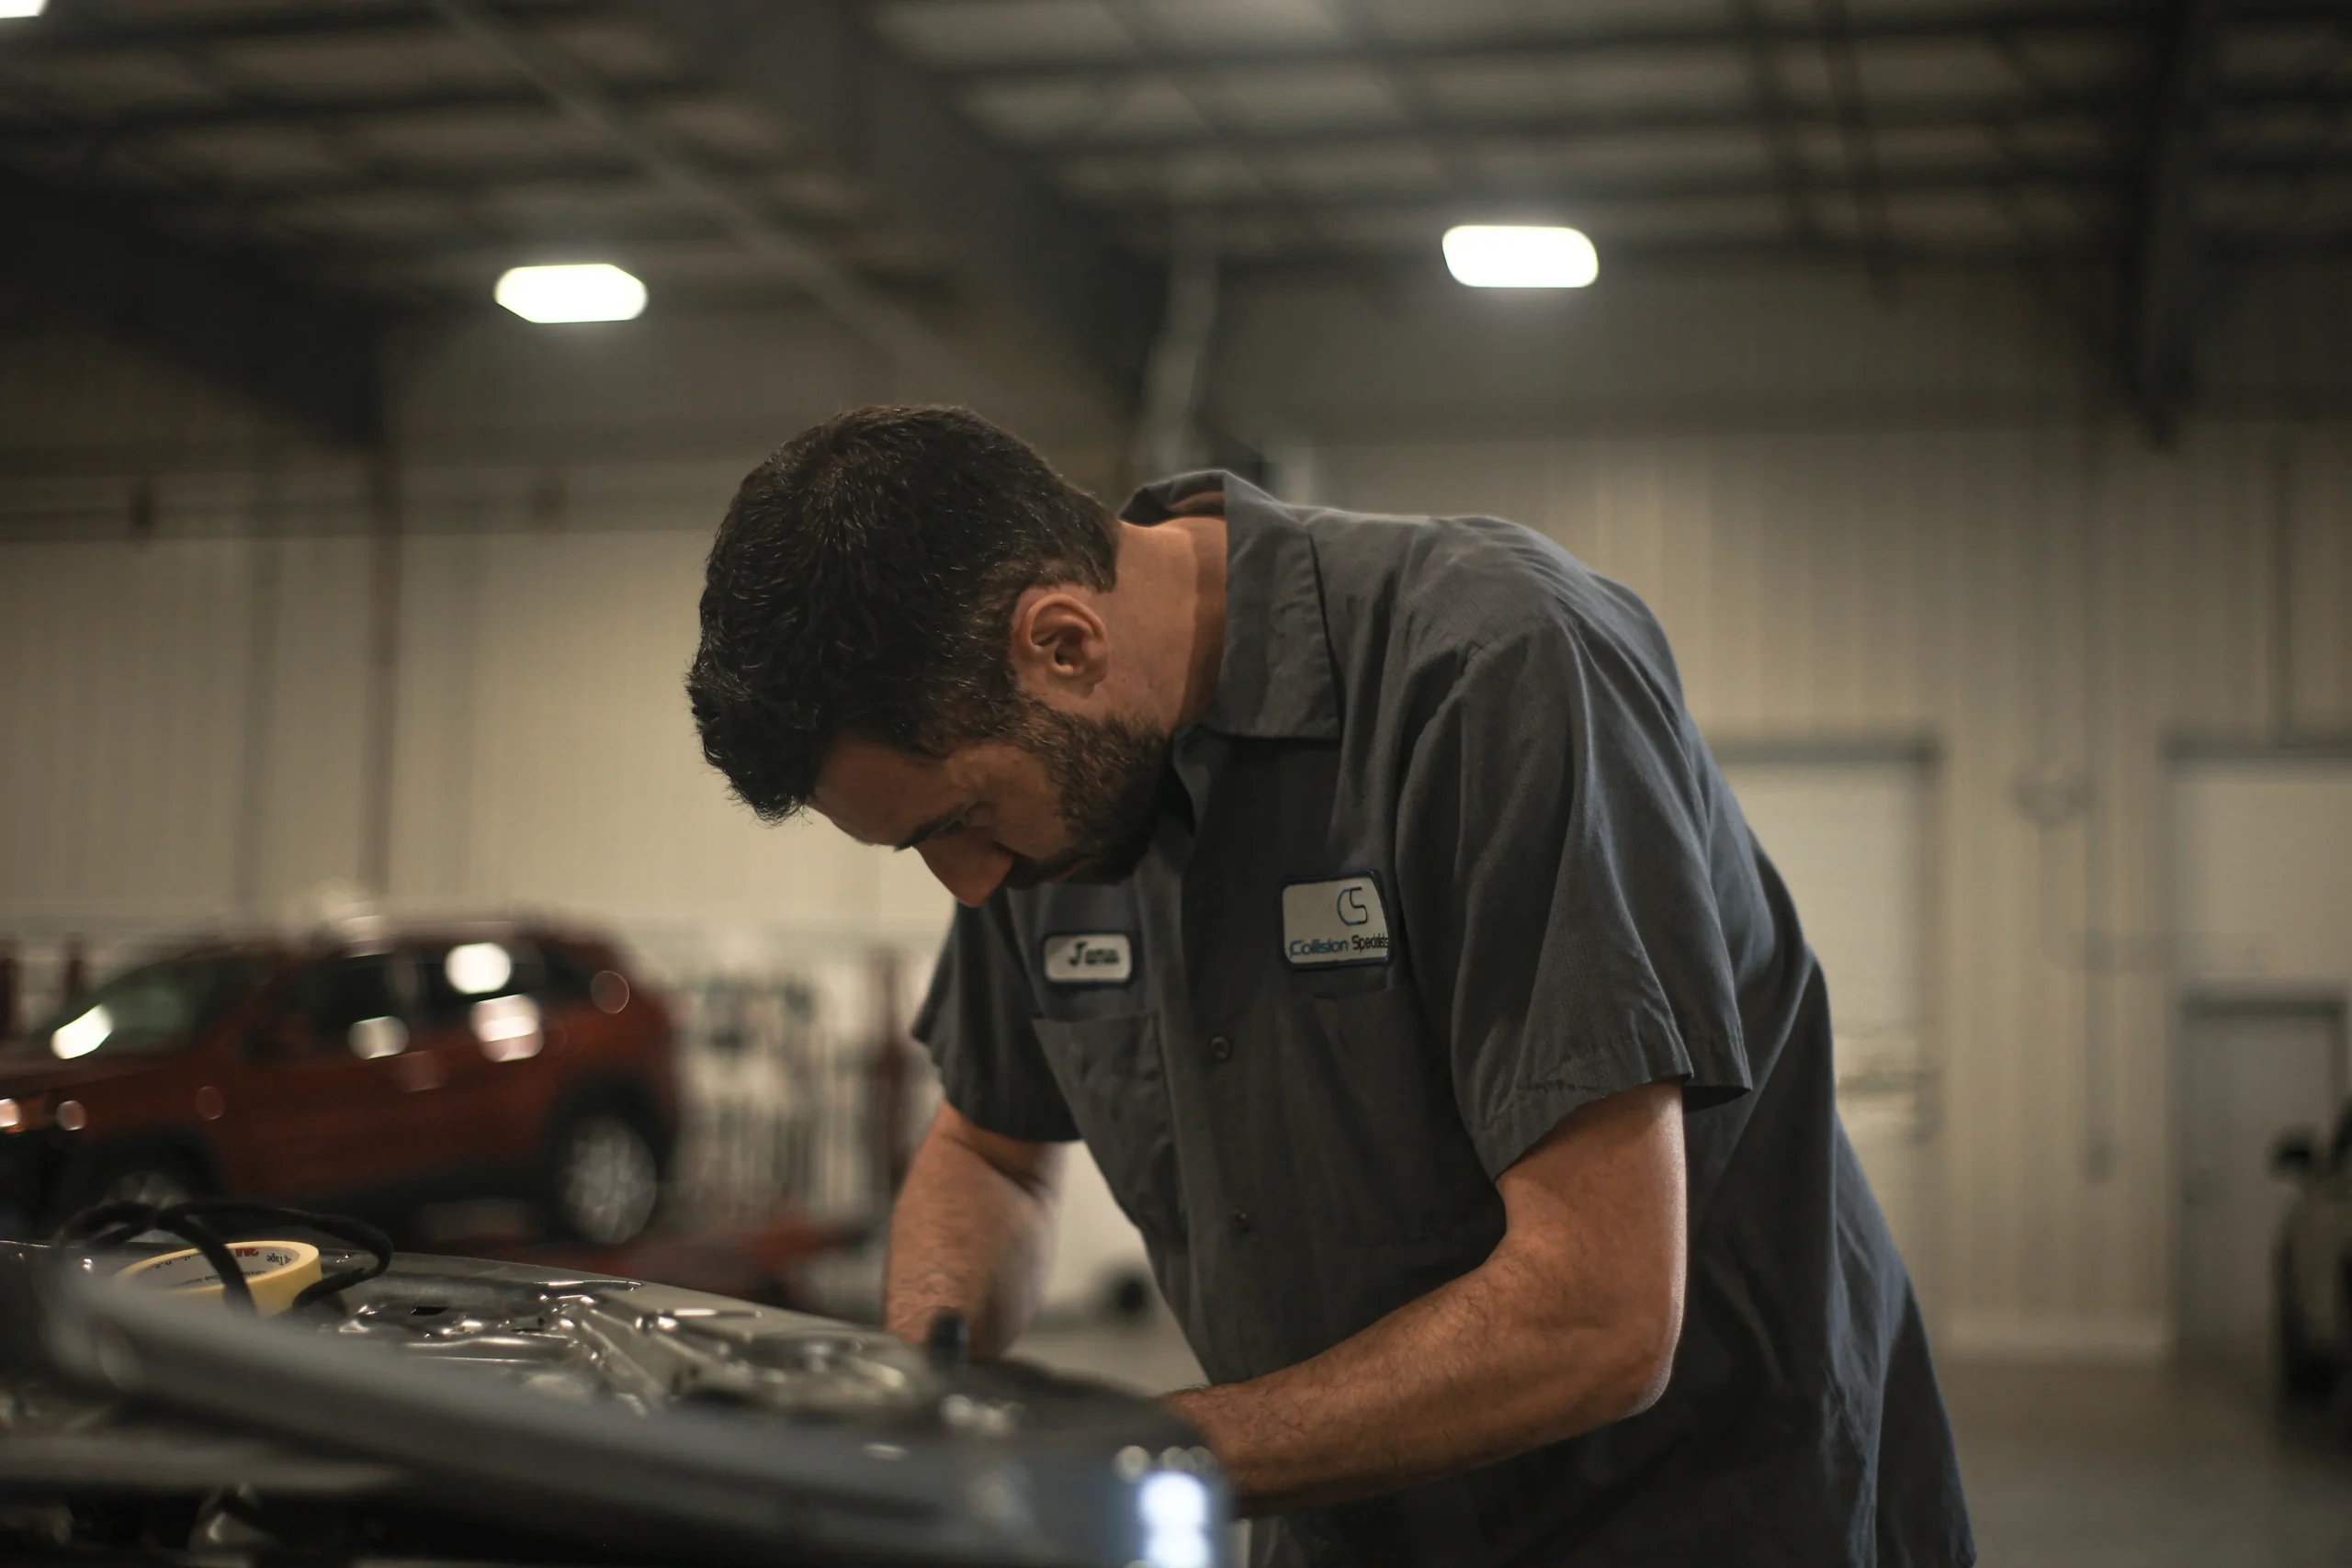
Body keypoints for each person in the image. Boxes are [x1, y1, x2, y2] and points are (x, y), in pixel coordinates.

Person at [687, 405, 1973, 1567]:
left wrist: (1113, 1454)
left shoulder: (1494, 669)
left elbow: (1600, 1314)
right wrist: (928, 1398)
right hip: (1349, 1521)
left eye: (957, 821)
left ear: (1064, 642)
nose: (968, 888)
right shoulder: (1048, 804)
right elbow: (992, 1148)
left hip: (1700, 1520)